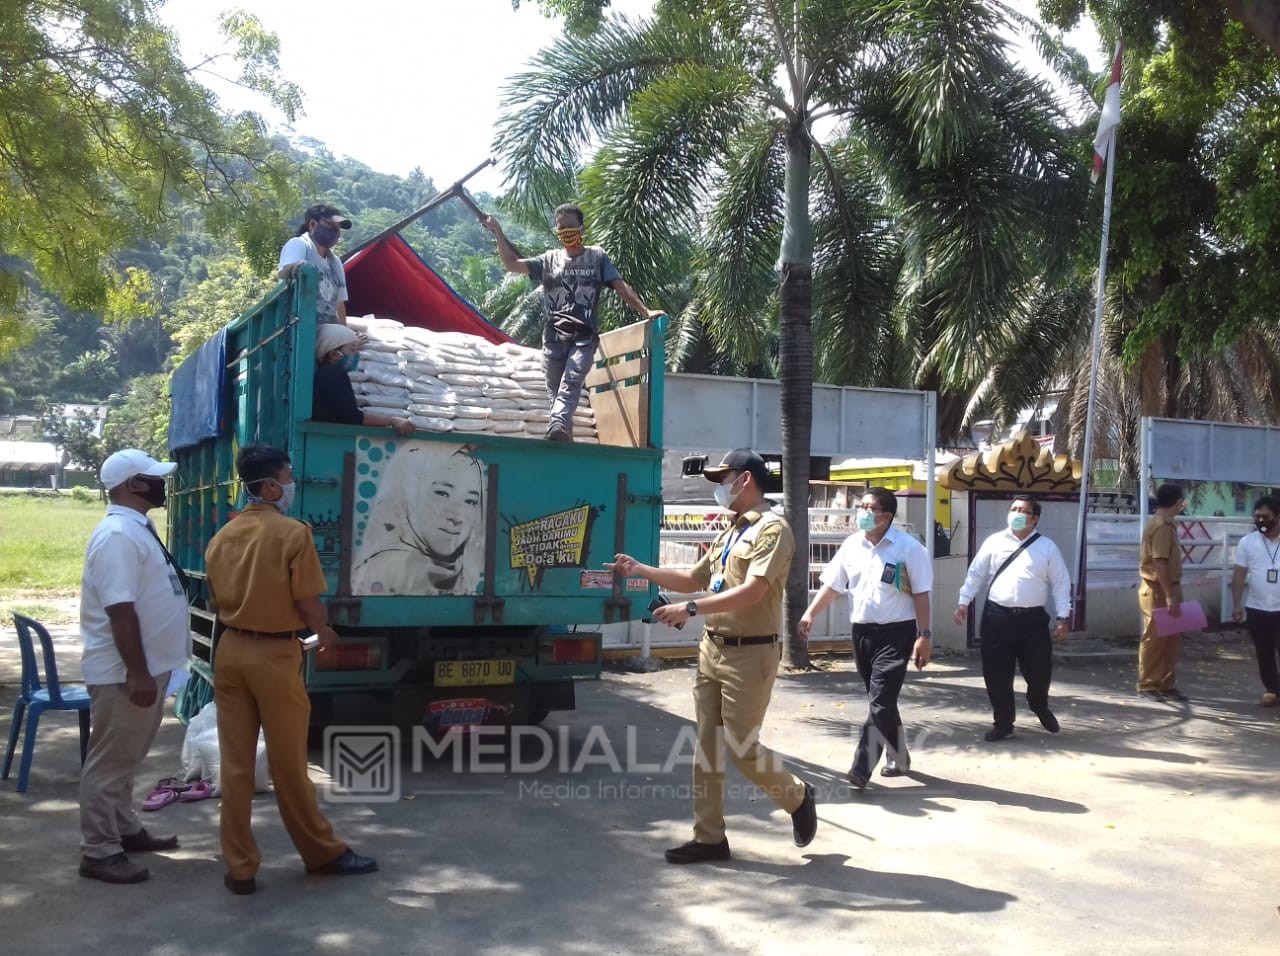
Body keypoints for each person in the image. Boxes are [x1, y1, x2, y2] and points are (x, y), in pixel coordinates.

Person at [606, 448, 817, 863]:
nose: (721, 486)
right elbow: (692, 577)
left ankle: (797, 797)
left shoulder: (772, 531)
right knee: (706, 747)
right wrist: (641, 569)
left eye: (726, 477)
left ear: (747, 480)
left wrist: (691, 608)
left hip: (751, 655)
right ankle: (709, 838)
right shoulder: (730, 531)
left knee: (742, 747)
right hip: (713, 650)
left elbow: (753, 591)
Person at [204, 444, 377, 895]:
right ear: (268, 485)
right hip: (276, 657)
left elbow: (213, 600)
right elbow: (306, 601)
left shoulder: (222, 537)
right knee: (287, 763)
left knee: (237, 766)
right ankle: (322, 852)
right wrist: (325, 633)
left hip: (231, 651)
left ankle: (240, 868)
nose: (291, 484)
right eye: (287, 476)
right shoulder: (292, 533)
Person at [77, 449, 191, 884]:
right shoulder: (118, 537)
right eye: (155, 477)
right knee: (109, 763)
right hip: (126, 673)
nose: (163, 483)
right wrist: (138, 673)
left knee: (126, 758)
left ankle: (123, 829)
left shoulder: (135, 529)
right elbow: (120, 611)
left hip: (145, 667)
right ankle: (99, 851)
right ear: (134, 486)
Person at [481, 203, 663, 442]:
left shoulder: (596, 257)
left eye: (570, 227)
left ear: (582, 229)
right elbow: (512, 265)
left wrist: (645, 310)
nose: (566, 232)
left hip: (584, 337)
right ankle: (563, 434)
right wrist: (498, 232)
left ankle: (556, 424)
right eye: (561, 227)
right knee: (555, 390)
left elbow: (619, 286)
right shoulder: (548, 260)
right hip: (554, 336)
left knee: (573, 379)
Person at [798, 487, 932, 789]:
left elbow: (922, 594)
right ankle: (900, 756)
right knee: (880, 700)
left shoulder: (909, 549)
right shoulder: (851, 545)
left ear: (886, 516)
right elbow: (833, 586)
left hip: (897, 634)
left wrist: (924, 636)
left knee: (881, 700)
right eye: (861, 505)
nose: (862, 511)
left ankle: (861, 766)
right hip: (862, 634)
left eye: (869, 507)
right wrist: (810, 613)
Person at [955, 496, 1072, 742]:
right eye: (1013, 509)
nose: (1016, 513)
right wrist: (964, 602)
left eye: (1023, 510)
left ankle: (1039, 704)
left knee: (1040, 671)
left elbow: (1061, 583)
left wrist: (1063, 616)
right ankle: (1003, 723)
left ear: (1034, 518)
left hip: (1033, 621)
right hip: (997, 616)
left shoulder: (1047, 547)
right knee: (997, 673)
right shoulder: (994, 542)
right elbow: (975, 574)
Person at [351, 444, 485, 595]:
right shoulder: (377, 573)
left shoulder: (465, 579)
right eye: (442, 493)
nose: (457, 516)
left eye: (470, 501)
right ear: (408, 496)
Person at [1136, 483, 1189, 701]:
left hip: (1170, 587)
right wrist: (1169, 595)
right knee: (1155, 638)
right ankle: (1148, 684)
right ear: (1178, 502)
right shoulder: (1161, 526)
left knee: (1171, 637)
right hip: (1158, 589)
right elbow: (1160, 563)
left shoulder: (1166, 524)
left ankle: (1166, 683)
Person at [313, 324, 414, 434]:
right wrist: (392, 420)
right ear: (333, 354)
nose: (356, 355)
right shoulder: (334, 375)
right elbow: (352, 417)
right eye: (352, 350)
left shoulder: (322, 373)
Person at [1230, 495, 1280, 707]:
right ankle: (1272, 690)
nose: (1260, 521)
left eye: (1265, 516)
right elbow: (1239, 574)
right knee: (1264, 653)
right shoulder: (1247, 542)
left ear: (1277, 517)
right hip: (1257, 609)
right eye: (1257, 516)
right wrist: (1236, 604)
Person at [278, 203, 353, 326]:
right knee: (350, 340)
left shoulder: (336, 263)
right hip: (300, 325)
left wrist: (346, 330)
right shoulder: (299, 245)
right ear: (313, 224)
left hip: (327, 325)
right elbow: (284, 273)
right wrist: (297, 267)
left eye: (338, 228)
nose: (336, 232)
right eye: (331, 226)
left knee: (356, 340)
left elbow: (340, 304)